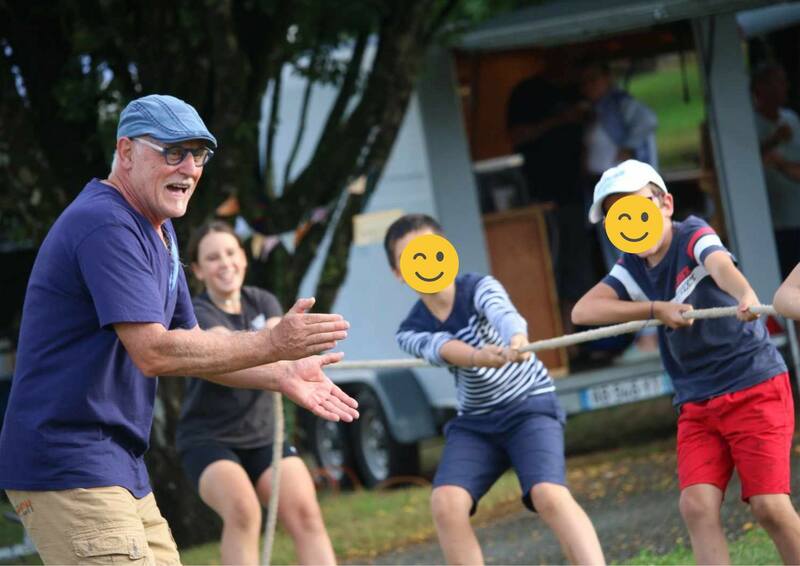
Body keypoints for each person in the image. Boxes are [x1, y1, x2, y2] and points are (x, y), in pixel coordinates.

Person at [0, 94, 358, 565]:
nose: (189, 167)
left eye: (199, 155)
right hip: (69, 462)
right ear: (125, 152)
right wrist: (273, 342)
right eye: (173, 152)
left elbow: (197, 346)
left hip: (115, 463)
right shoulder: (105, 223)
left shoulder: (160, 231)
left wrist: (279, 372)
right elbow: (155, 352)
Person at [572, 159, 800, 564]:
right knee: (695, 506)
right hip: (697, 400)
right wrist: (654, 308)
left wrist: (745, 293)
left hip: (753, 386)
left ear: (665, 204)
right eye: (615, 216)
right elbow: (584, 312)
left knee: (769, 506)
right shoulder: (632, 268)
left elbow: (719, 265)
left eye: (636, 208)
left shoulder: (692, 234)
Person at [384, 214, 605, 565]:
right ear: (399, 272)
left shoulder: (479, 287)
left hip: (530, 406)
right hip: (476, 424)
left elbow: (503, 314)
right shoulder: (409, 331)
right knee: (446, 504)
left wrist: (517, 339)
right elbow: (441, 348)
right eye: (412, 256)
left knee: (548, 494)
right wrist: (477, 357)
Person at [177, 221, 335, 565]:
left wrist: (305, 356)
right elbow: (226, 351)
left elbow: (285, 343)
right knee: (244, 512)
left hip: (265, 436)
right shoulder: (197, 313)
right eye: (213, 258)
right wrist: (281, 363)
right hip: (210, 440)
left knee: (307, 513)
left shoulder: (262, 301)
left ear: (244, 259)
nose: (225, 263)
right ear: (200, 270)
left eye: (231, 253)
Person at [580, 62, 658, 272]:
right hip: (603, 189)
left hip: (624, 189)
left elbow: (648, 121)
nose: (588, 86)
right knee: (615, 248)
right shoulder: (594, 111)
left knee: (634, 241)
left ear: (607, 79)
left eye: (593, 80)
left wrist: (628, 146)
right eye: (584, 82)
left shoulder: (619, 104)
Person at [751, 62, 800, 278]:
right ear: (760, 88)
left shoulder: (791, 119)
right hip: (773, 222)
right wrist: (773, 141)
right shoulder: (748, 122)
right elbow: (747, 158)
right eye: (778, 82)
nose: (785, 87)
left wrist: (780, 163)